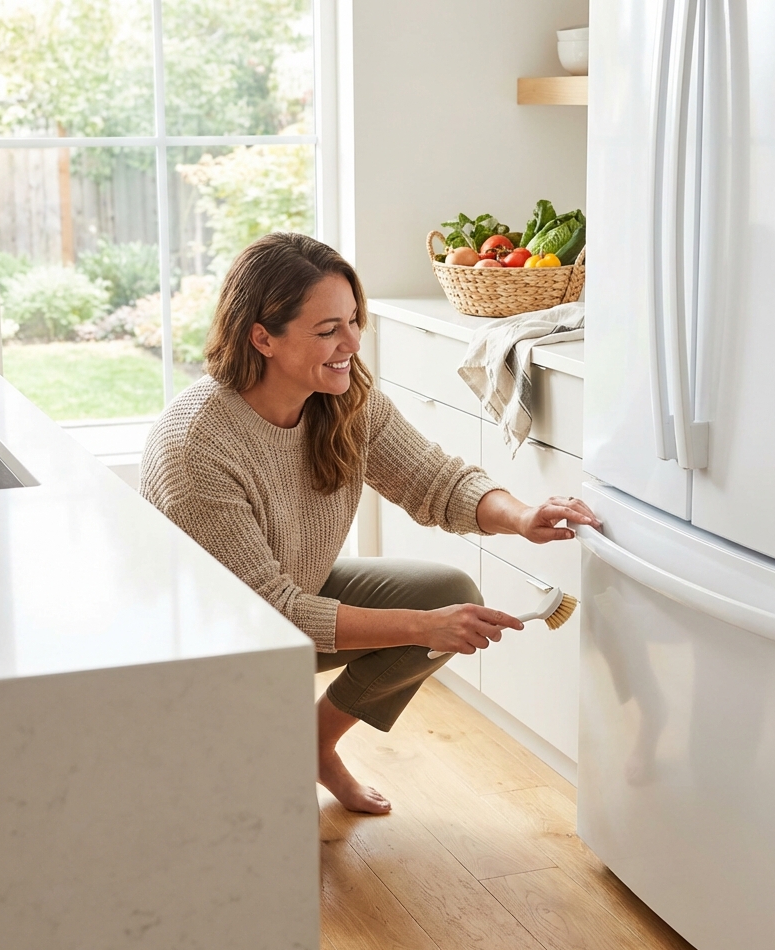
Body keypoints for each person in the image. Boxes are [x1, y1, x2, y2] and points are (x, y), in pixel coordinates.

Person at [140, 233, 598, 814]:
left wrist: (523, 516)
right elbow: (268, 614)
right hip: (215, 647)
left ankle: (313, 745)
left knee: (446, 593)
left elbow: (434, 479)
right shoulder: (198, 445)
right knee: (247, 822)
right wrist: (423, 628)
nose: (353, 343)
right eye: (328, 330)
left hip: (289, 600)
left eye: (354, 320)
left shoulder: (341, 397)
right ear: (262, 338)